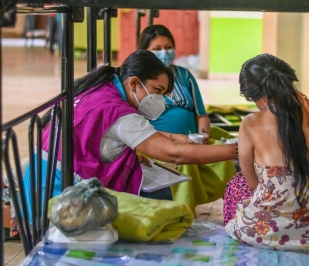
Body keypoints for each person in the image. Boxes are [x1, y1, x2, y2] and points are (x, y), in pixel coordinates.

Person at [2, 50, 236, 228]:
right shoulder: (118, 111)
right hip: (61, 198)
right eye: (157, 90)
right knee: (162, 199)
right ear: (134, 82)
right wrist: (235, 150)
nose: (160, 100)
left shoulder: (96, 88)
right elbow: (174, 153)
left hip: (40, 184)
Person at [224, 54, 309, 253]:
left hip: (264, 233)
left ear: (257, 96)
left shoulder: (250, 123)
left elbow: (253, 184)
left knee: (236, 184)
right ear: (290, 80)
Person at [137, 25, 237, 212]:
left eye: (168, 47)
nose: (164, 53)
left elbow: (201, 114)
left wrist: (203, 134)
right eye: (157, 49)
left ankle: (233, 208)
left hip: (191, 140)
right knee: (185, 163)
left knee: (222, 156)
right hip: (158, 141)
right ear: (144, 52)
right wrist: (173, 138)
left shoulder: (184, 75)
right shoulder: (138, 83)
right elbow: (137, 126)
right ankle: (182, 211)